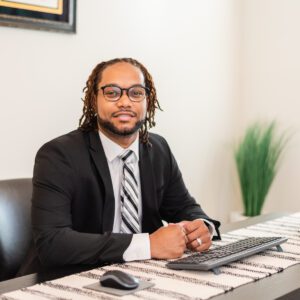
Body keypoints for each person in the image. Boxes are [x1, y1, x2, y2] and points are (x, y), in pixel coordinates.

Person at [20, 58, 220, 275]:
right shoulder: (58, 156)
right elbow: (53, 244)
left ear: (147, 101)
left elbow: (183, 206)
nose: (125, 102)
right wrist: (147, 245)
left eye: (136, 93)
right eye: (112, 92)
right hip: (69, 278)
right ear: (93, 99)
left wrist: (202, 226)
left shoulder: (158, 148)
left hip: (144, 276)